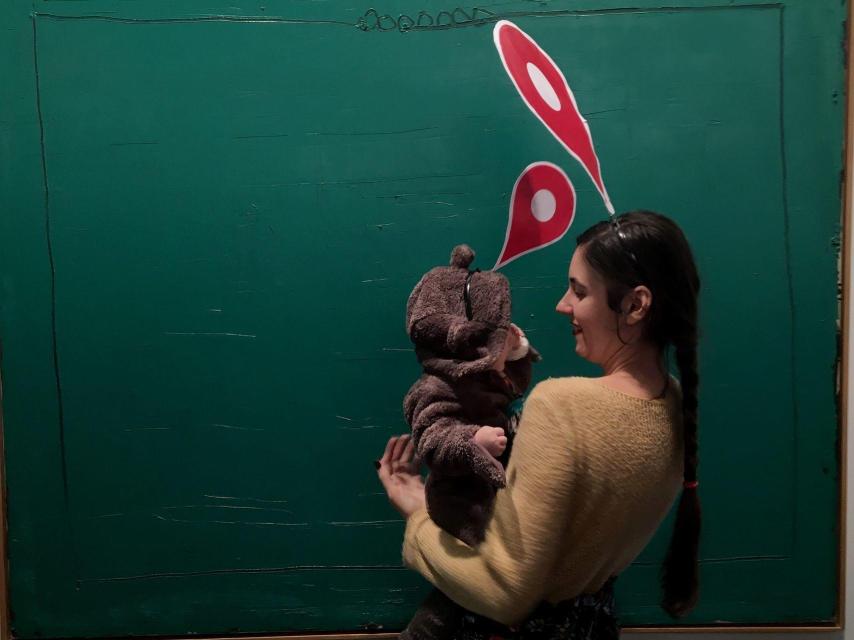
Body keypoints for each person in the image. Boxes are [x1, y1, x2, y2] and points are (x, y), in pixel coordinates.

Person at [377, 210, 702, 638]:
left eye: (578, 291)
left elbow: (504, 593)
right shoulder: (675, 401)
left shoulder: (561, 406)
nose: (562, 305)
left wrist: (416, 510)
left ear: (635, 305)